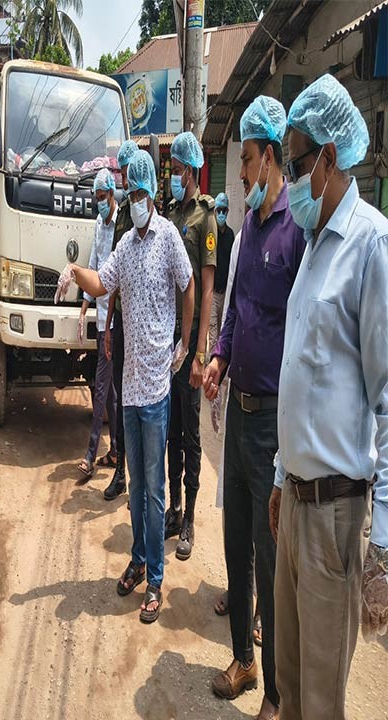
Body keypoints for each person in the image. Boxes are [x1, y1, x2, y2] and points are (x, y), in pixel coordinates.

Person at [269, 74, 388, 720]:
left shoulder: (370, 245)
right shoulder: (315, 246)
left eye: (296, 162)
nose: (289, 178)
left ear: (331, 158)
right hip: (297, 509)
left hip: (336, 518)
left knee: (321, 705)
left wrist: (384, 548)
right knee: (290, 686)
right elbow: (303, 373)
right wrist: (283, 476)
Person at [198, 94, 299, 720]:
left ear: (271, 160)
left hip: (275, 423)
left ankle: (277, 694)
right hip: (241, 409)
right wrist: (219, 359)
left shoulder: (296, 231)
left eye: (249, 164)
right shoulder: (249, 232)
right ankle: (242, 657)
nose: (242, 176)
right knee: (236, 540)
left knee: (270, 553)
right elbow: (234, 312)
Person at [63, 150, 194, 624]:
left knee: (156, 489)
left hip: (157, 384)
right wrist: (75, 273)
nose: (135, 201)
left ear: (151, 193)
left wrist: (186, 343)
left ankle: (156, 577)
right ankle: (139, 559)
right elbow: (103, 283)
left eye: (140, 194)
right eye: (130, 194)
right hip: (131, 385)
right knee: (136, 484)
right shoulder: (125, 245)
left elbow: (189, 284)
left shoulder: (169, 238)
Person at [164, 130, 218, 561]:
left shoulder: (205, 218)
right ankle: (174, 506)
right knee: (171, 434)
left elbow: (206, 292)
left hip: (191, 346)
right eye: (172, 169)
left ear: (193, 170)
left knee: (191, 435)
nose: (174, 175)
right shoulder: (170, 214)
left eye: (179, 169)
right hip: (169, 343)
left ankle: (190, 520)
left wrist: (200, 354)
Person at [77, 168, 121, 481]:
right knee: (111, 391)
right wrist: (84, 307)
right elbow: (93, 266)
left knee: (102, 385)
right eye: (97, 199)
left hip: (115, 320)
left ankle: (91, 453)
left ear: (113, 195)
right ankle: (116, 449)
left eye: (103, 198)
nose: (100, 204)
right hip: (100, 314)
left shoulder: (123, 226)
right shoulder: (98, 223)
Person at [101, 141, 138, 502]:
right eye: (121, 172)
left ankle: (139, 475)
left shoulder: (152, 217)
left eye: (126, 171)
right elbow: (111, 276)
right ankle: (120, 470)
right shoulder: (122, 216)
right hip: (123, 323)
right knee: (121, 396)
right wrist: (111, 324)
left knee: (140, 402)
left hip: (144, 327)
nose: (123, 177)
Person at [208, 192, 236, 357]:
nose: (221, 214)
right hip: (211, 292)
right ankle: (207, 373)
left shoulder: (230, 235)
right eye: (218, 210)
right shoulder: (211, 234)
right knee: (212, 335)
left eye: (224, 211)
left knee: (221, 332)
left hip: (224, 292)